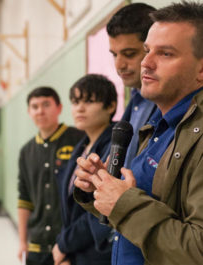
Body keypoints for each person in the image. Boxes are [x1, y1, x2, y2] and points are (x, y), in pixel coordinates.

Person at [74, 2, 203, 265]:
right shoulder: (158, 126)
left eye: (165, 54)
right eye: (146, 51)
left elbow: (197, 249)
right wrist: (101, 188)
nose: (146, 62)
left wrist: (123, 203)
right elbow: (140, 214)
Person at [53, 74, 117, 265]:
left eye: (89, 101)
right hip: (76, 253)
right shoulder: (81, 146)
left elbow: (98, 211)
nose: (79, 108)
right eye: (75, 102)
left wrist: (64, 245)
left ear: (111, 106)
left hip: (98, 254)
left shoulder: (115, 147)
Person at [17, 87, 84, 265]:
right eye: (35, 106)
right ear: (29, 112)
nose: (40, 111)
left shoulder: (79, 139)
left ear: (59, 108)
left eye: (46, 104)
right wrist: (23, 241)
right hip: (36, 247)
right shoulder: (26, 151)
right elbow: (24, 199)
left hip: (69, 246)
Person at [107, 3, 156, 168]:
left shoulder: (171, 102)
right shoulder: (136, 98)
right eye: (114, 55)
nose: (119, 65)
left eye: (129, 54)